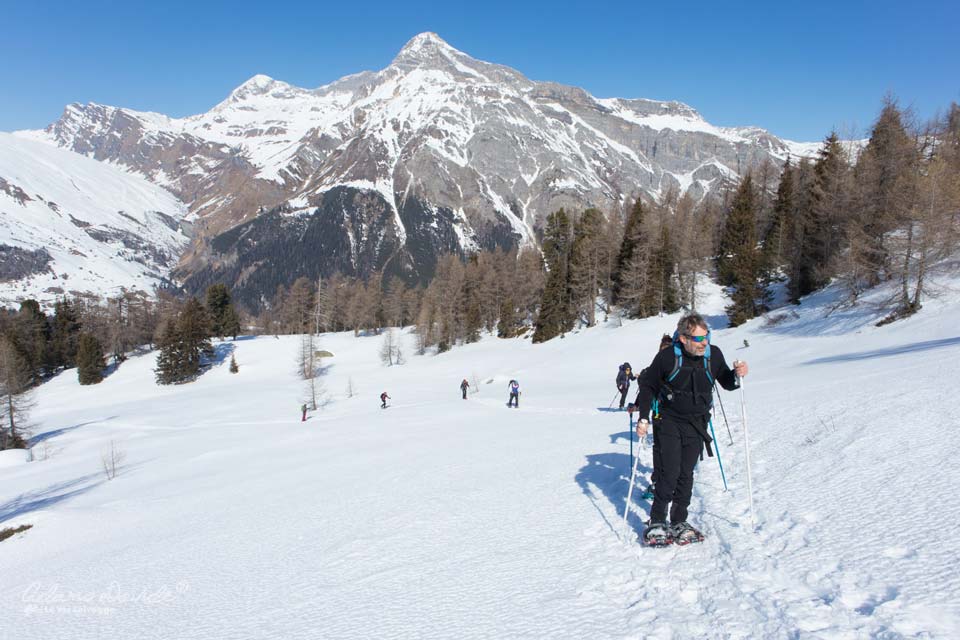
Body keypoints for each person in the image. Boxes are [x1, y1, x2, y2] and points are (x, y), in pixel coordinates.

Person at [633, 313, 748, 546]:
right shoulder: (667, 357)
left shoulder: (712, 355)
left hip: (697, 423)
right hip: (669, 421)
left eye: (706, 337)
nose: (703, 342)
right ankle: (657, 520)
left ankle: (679, 521)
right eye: (698, 339)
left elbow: (726, 381)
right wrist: (643, 417)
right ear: (684, 339)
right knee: (670, 472)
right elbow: (648, 387)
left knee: (686, 473)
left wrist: (737, 375)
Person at [629, 333, 675, 498]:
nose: (665, 353)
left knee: (671, 452)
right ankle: (657, 482)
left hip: (677, 417)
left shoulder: (679, 366)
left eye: (668, 349)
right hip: (659, 415)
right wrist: (637, 406)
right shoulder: (653, 368)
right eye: (663, 349)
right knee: (659, 449)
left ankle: (670, 482)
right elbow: (646, 390)